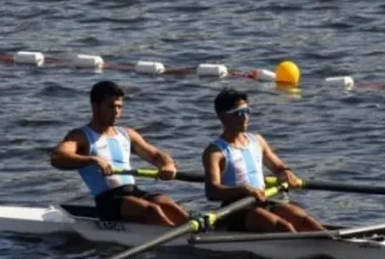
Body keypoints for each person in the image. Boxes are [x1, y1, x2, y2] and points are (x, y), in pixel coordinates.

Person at [50, 81, 188, 226]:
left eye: (119, 107)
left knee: (167, 204)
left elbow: (156, 155)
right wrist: (93, 160)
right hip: (108, 201)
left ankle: (196, 231)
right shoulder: (81, 136)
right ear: (95, 106)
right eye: (110, 107)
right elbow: (58, 157)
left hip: (133, 193)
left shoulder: (126, 134)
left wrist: (167, 164)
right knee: (152, 210)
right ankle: (179, 238)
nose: (116, 112)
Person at [202, 88, 325, 233]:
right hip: (234, 209)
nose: (245, 118)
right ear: (223, 117)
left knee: (305, 220)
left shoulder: (257, 141)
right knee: (283, 227)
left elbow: (278, 167)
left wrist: (285, 173)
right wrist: (242, 189)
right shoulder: (214, 152)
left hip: (262, 200)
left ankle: (333, 244)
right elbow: (211, 191)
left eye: (247, 111)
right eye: (239, 114)